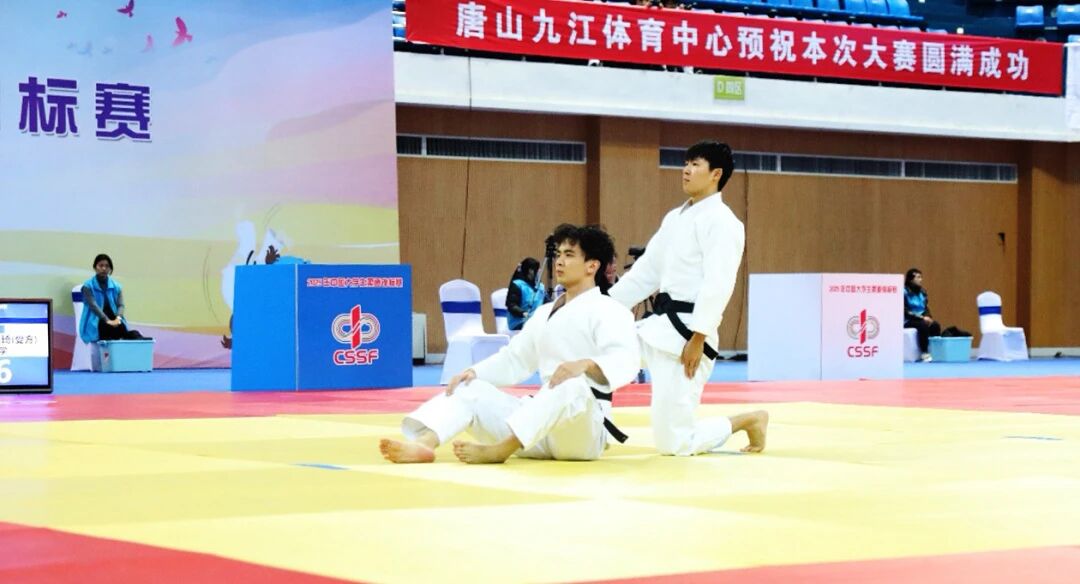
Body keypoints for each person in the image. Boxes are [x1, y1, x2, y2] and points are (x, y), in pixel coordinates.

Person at [379, 224, 639, 464]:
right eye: (559, 254)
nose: (559, 261)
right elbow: (515, 359)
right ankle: (424, 444)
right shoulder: (544, 313)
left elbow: (627, 361)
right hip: (537, 430)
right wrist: (475, 372)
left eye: (569, 255)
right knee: (470, 387)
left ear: (592, 266)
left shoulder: (609, 310)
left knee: (573, 385)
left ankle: (502, 449)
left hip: (581, 433)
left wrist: (586, 364)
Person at [608, 140, 768, 456]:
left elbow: (718, 284)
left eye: (695, 164)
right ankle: (587, 431)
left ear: (716, 174)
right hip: (656, 328)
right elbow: (647, 272)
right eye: (686, 163)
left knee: (675, 444)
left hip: (686, 339)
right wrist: (601, 307)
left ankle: (748, 420)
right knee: (594, 357)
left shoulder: (724, 222)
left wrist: (698, 337)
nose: (686, 170)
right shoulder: (675, 218)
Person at [78, 254, 145, 344]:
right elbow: (93, 306)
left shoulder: (116, 286)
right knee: (106, 327)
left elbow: (121, 305)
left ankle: (140, 341)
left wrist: (118, 318)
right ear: (95, 267)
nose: (104, 268)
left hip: (114, 318)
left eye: (107, 266)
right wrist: (107, 320)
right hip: (97, 319)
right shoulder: (88, 286)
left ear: (110, 269)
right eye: (101, 265)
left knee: (127, 331)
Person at [904, 268, 941, 362]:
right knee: (923, 325)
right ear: (911, 279)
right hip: (908, 320)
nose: (921, 279)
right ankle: (924, 352)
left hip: (921, 318)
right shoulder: (903, 292)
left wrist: (928, 317)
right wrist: (922, 318)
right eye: (918, 277)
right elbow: (905, 311)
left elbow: (926, 308)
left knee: (935, 325)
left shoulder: (922, 292)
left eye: (921, 277)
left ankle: (935, 351)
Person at [505, 257, 545, 331]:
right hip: (519, 322)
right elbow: (511, 305)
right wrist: (523, 313)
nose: (539, 272)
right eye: (538, 270)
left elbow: (547, 301)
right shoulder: (518, 285)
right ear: (530, 271)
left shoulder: (540, 286)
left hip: (536, 320)